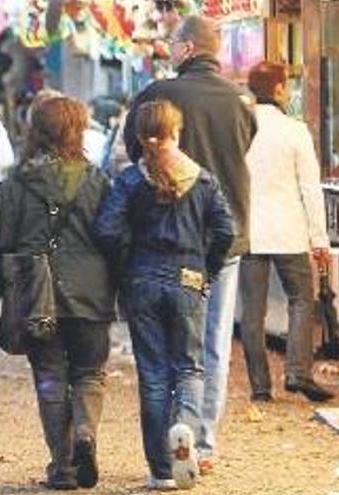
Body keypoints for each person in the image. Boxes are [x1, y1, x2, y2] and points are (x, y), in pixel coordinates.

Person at [122, 15, 257, 472]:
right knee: (210, 348)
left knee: (160, 354)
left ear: (184, 49)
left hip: (159, 245)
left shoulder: (157, 95)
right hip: (223, 239)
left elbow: (132, 151)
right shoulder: (242, 102)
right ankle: (201, 444)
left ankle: (165, 451)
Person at [94, 100, 234, 490]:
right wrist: (208, 270)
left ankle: (160, 469)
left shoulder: (130, 180)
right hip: (189, 277)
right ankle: (186, 430)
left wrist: (126, 267)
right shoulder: (202, 180)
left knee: (153, 374)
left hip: (142, 279)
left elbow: (106, 229)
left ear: (139, 137)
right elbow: (226, 231)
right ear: (178, 131)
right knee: (190, 367)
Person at [0, 96, 116, 490]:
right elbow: (113, 236)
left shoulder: (17, 182)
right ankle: (85, 434)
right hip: (90, 291)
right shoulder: (97, 180)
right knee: (89, 374)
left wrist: (2, 289)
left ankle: (62, 468)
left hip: (35, 294)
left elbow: (4, 240)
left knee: (49, 377)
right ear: (77, 130)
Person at [240, 61, 334, 403]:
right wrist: (319, 238)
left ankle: (260, 387)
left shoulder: (242, 129)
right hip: (289, 231)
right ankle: (297, 372)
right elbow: (310, 188)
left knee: (252, 312)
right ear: (279, 89)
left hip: (250, 231)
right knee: (301, 300)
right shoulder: (294, 131)